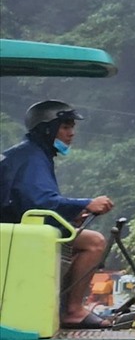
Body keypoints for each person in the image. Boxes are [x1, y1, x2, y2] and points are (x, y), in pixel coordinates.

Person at [0, 100, 116, 328]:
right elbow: (39, 201)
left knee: (72, 242)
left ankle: (57, 306)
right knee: (94, 243)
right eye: (65, 127)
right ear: (46, 128)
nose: (71, 134)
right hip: (16, 235)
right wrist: (87, 203)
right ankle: (72, 311)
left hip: (16, 229)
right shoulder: (31, 157)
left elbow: (29, 201)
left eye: (72, 127)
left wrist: (73, 214)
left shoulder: (30, 154)